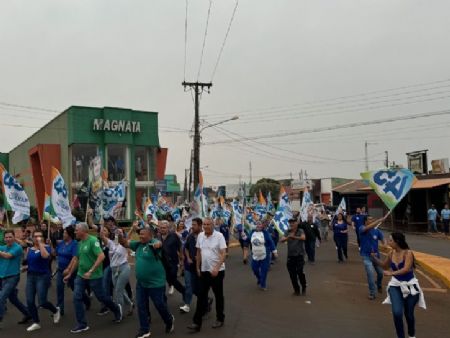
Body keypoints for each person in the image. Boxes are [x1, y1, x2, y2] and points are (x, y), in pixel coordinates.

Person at [63, 222, 122, 333]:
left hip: (94, 276)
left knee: (102, 297)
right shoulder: (80, 243)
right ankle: (82, 324)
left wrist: (91, 271)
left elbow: (101, 256)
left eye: (76, 230)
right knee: (76, 297)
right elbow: (76, 259)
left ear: (83, 231)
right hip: (81, 275)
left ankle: (116, 309)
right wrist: (70, 273)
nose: (75, 232)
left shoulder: (93, 241)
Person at [119, 224, 174, 338]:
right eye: (139, 234)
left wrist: (157, 244)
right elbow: (124, 243)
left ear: (150, 235)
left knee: (159, 304)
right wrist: (120, 235)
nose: (140, 236)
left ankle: (169, 320)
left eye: (143, 234)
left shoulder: (154, 243)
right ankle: (144, 329)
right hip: (141, 284)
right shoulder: (138, 245)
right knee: (141, 305)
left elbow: (159, 244)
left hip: (156, 283)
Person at [372, 232, 426, 338]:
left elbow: (406, 269)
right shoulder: (391, 253)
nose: (388, 241)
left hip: (410, 286)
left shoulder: (408, 253)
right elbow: (385, 266)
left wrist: (391, 273)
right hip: (395, 285)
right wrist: (374, 257)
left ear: (397, 242)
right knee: (397, 313)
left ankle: (411, 335)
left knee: (409, 314)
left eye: (391, 240)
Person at [187, 217, 227, 332]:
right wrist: (197, 267)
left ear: (213, 225)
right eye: (204, 224)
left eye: (208, 224)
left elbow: (224, 253)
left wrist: (217, 267)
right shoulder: (200, 236)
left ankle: (220, 318)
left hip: (217, 272)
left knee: (218, 296)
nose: (205, 226)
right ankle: (196, 323)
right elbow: (198, 252)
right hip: (204, 271)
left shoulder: (219, 236)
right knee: (201, 296)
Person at [24, 230, 61, 331]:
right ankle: (36, 322)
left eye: (39, 236)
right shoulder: (29, 249)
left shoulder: (47, 248)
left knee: (42, 301)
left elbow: (45, 256)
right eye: (35, 236)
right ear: (32, 238)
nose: (37, 238)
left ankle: (55, 310)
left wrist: (40, 244)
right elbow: (30, 262)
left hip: (42, 276)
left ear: (43, 238)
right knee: (30, 301)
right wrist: (26, 267)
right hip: (31, 276)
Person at [99, 225, 134, 316]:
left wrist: (132, 228)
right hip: (114, 270)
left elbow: (129, 235)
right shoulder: (111, 243)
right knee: (120, 290)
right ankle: (130, 304)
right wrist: (102, 226)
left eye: (120, 232)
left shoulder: (125, 243)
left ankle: (119, 312)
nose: (117, 233)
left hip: (124, 268)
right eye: (116, 232)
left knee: (118, 290)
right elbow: (102, 236)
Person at [55, 226, 90, 316]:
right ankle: (59, 309)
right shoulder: (61, 243)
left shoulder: (75, 244)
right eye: (63, 233)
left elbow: (75, 258)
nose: (63, 234)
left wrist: (69, 269)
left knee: (75, 289)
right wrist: (50, 244)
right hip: (60, 270)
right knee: (59, 289)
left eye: (65, 233)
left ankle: (86, 301)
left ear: (70, 234)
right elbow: (54, 254)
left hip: (72, 271)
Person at [0, 230, 31, 328]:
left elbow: (8, 256)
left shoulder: (17, 248)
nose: (8, 239)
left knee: (1, 298)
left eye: (10, 237)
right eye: (6, 237)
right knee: (13, 300)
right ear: (4, 239)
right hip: (3, 277)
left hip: (13, 277)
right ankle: (28, 313)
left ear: (14, 237)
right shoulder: (3, 247)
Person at [359, 213, 389, 300]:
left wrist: (385, 244)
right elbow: (367, 228)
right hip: (366, 256)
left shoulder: (377, 231)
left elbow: (383, 239)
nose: (371, 221)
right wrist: (379, 220)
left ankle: (379, 284)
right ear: (365, 221)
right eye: (369, 219)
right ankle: (372, 293)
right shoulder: (362, 228)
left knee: (380, 273)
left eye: (372, 219)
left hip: (376, 257)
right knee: (370, 274)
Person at [159, 220, 186, 299]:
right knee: (167, 278)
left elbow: (180, 247)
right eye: (161, 228)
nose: (162, 229)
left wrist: (181, 260)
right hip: (162, 263)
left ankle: (183, 291)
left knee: (173, 279)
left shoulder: (173, 236)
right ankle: (164, 295)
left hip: (173, 262)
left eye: (164, 228)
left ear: (168, 228)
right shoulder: (158, 236)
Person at [180, 218, 202, 313]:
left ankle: (206, 300)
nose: (192, 226)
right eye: (192, 225)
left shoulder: (204, 236)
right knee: (188, 285)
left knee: (198, 287)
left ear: (200, 226)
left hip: (201, 267)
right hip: (190, 266)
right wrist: (188, 258)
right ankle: (187, 305)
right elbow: (186, 248)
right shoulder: (190, 236)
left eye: (194, 225)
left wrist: (200, 258)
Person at [281, 218, 307, 296]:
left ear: (297, 223)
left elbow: (303, 238)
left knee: (300, 272)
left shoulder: (300, 231)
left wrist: (294, 237)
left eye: (293, 222)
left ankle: (304, 286)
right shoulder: (287, 232)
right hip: (290, 256)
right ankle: (296, 290)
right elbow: (281, 240)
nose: (291, 224)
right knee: (292, 275)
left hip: (300, 255)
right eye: (290, 223)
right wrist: (288, 237)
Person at [250, 221, 276, 291]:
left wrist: (274, 251)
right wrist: (244, 236)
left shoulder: (265, 233)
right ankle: (259, 278)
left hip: (265, 254)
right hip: (255, 254)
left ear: (262, 226)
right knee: (254, 268)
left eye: (260, 224)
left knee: (264, 270)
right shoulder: (252, 232)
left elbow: (271, 242)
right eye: (257, 224)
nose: (258, 225)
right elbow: (247, 240)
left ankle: (263, 284)